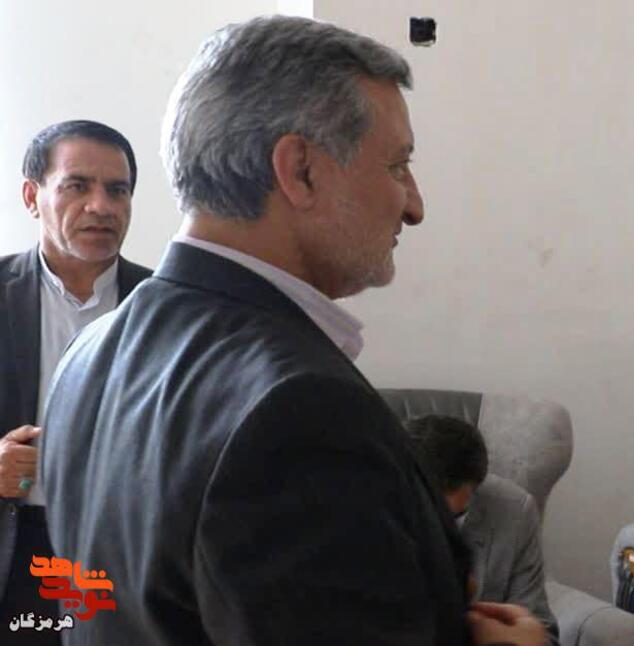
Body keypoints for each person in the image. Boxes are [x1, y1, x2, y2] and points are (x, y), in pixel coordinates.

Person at [38, 17, 543, 646]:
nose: (414, 204)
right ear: (300, 170)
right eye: (397, 165)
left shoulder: (86, 355)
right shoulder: (301, 408)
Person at [0, 120, 151, 642]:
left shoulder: (168, 305)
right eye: (77, 186)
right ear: (32, 196)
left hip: (129, 548)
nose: (101, 206)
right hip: (18, 545)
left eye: (117, 190)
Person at [404, 415, 560, 645]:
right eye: (427, 513)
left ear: (476, 490)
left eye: (453, 517)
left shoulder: (514, 511)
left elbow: (542, 634)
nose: (439, 530)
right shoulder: (364, 508)